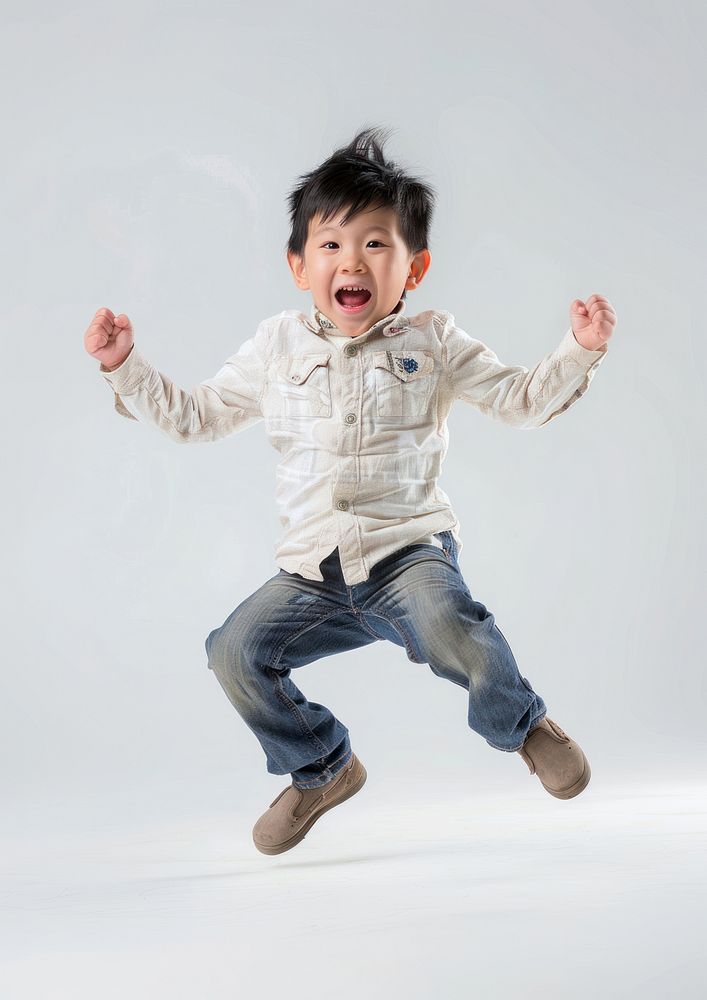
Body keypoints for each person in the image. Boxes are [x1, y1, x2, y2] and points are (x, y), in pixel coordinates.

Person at [84, 125, 616, 856]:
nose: (352, 261)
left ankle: (521, 725)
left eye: (375, 244)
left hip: (406, 553)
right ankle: (321, 767)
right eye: (331, 246)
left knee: (448, 622)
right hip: (312, 572)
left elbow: (519, 400)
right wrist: (125, 367)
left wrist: (576, 352)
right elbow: (196, 417)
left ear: (413, 268)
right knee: (232, 654)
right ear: (299, 265)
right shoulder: (275, 347)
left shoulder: (433, 342)